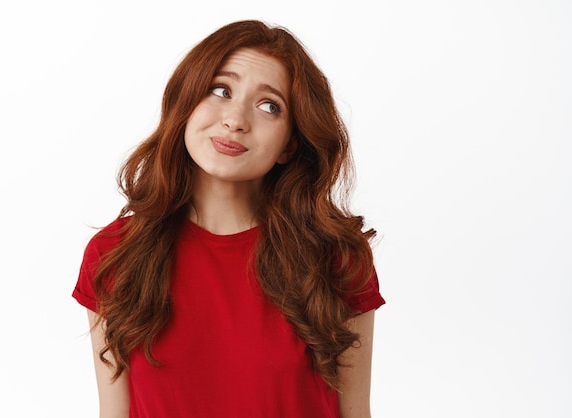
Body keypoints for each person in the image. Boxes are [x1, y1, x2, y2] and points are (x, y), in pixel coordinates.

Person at [73, 19, 385, 418]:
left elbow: (355, 413)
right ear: (187, 103)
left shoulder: (335, 258)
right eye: (221, 90)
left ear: (290, 143)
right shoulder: (116, 254)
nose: (236, 119)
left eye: (269, 106)